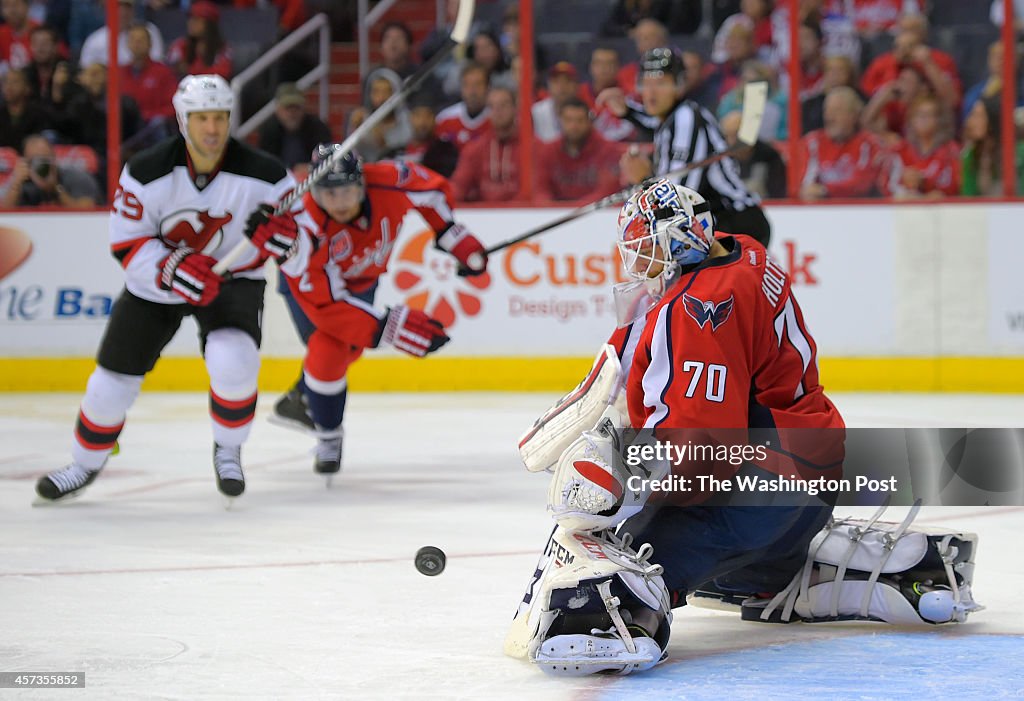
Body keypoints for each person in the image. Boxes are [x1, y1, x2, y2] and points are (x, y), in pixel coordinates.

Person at [506, 181, 981, 676]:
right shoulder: (743, 254)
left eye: (646, 252)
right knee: (716, 543)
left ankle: (623, 616)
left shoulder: (699, 306)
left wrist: (621, 493)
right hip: (807, 483)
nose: (638, 268)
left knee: (615, 559)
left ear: (677, 242)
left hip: (757, 490)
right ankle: (791, 570)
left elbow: (701, 447)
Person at [33, 74, 298, 502]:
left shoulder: (268, 176)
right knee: (108, 386)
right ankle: (83, 464)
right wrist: (172, 268)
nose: (211, 129)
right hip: (157, 288)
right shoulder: (146, 170)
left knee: (234, 362)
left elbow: (302, 243)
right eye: (201, 118)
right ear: (182, 119)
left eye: (219, 117)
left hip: (231, 282)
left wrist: (285, 239)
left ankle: (228, 450)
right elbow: (126, 243)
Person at [266, 145, 488, 476]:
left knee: (345, 350)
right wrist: (389, 327)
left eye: (347, 192)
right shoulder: (304, 225)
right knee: (329, 348)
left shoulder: (390, 180)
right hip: (310, 290)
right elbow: (328, 304)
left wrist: (453, 236)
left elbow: (432, 192)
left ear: (362, 184)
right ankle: (328, 434)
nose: (339, 203)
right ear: (314, 190)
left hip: (362, 281)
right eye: (329, 194)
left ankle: (303, 395)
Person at [598, 47, 771, 245]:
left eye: (661, 83)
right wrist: (627, 112)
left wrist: (643, 179)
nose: (651, 92)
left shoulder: (687, 119)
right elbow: (655, 123)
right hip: (713, 224)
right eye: (646, 84)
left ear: (679, 86)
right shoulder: (672, 117)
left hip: (736, 224)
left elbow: (681, 196)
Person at [796, 85, 887, 200]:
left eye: (837, 111)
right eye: (827, 111)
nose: (830, 117)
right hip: (820, 212)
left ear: (854, 116)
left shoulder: (870, 144)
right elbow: (804, 185)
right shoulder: (812, 143)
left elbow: (862, 184)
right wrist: (809, 191)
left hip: (859, 212)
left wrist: (826, 190)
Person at [535, 98, 624, 202]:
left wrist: (575, 209)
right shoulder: (548, 151)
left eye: (580, 120)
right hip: (557, 213)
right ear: (561, 121)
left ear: (589, 121)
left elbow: (607, 191)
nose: (574, 126)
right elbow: (540, 189)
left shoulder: (608, 150)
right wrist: (549, 207)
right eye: (568, 120)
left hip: (595, 214)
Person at [450, 86, 522, 202]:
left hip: (523, 215)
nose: (498, 111)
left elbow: (538, 189)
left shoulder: (532, 147)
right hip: (484, 216)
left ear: (515, 108)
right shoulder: (475, 149)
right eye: (492, 107)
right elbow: (459, 186)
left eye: (503, 105)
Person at [1, 132, 102, 207]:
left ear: (54, 158)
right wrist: (16, 183)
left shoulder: (77, 178)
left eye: (44, 159)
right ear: (25, 161)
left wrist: (55, 188)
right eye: (33, 161)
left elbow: (88, 211)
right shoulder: (22, 181)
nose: (40, 166)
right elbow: (6, 215)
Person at [256, 82, 332, 171]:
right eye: (288, 108)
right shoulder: (268, 131)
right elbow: (265, 164)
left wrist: (310, 167)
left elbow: (326, 160)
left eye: (296, 107)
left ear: (304, 108)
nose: (292, 113)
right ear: (278, 109)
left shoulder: (318, 128)